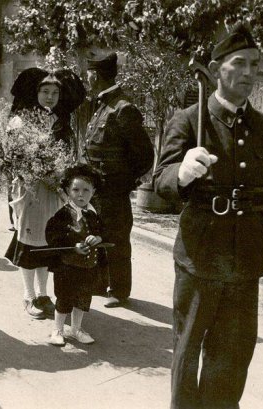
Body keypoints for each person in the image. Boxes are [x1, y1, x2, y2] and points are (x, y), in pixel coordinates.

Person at [153, 24, 263, 409]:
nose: (249, 73)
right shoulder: (189, 119)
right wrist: (182, 172)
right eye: (240, 63)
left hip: (245, 261)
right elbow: (159, 180)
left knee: (233, 354)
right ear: (216, 69)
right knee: (188, 346)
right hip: (201, 257)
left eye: (255, 65)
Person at [4, 68, 86, 320]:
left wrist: (63, 176)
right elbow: (13, 157)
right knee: (31, 241)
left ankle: (43, 294)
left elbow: (69, 153)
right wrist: (34, 172)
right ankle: (28, 295)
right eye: (45, 92)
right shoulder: (21, 120)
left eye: (54, 92)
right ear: (35, 93)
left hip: (55, 190)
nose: (50, 97)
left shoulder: (62, 121)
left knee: (48, 240)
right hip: (31, 189)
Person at [80, 52, 154, 308]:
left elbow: (144, 154)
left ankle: (120, 291)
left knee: (117, 240)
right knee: (98, 235)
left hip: (113, 190)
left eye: (88, 73)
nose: (86, 77)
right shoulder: (103, 104)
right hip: (97, 190)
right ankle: (101, 284)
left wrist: (125, 183)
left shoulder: (123, 109)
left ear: (95, 75)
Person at [45, 164, 106, 346]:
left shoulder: (93, 214)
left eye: (86, 190)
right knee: (64, 298)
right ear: (67, 191)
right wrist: (73, 246)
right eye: (76, 189)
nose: (81, 194)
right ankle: (58, 329)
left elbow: (104, 231)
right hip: (67, 267)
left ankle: (76, 328)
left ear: (93, 192)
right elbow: (52, 236)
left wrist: (99, 237)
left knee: (83, 298)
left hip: (88, 267)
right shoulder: (63, 214)